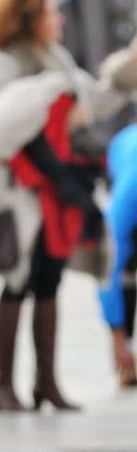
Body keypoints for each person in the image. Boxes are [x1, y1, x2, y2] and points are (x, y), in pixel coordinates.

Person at [0, 0, 137, 412]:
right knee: (17, 282)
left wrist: (129, 67)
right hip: (21, 192)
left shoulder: (55, 57)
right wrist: (42, 98)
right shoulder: (6, 62)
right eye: (50, 12)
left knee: (49, 281)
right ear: (29, 18)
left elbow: (95, 100)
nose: (58, 18)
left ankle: (46, 383)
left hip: (56, 191)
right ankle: (2, 385)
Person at [102, 124, 137, 387]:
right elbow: (106, 273)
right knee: (124, 273)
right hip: (121, 151)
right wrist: (117, 336)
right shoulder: (127, 199)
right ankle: (124, 354)